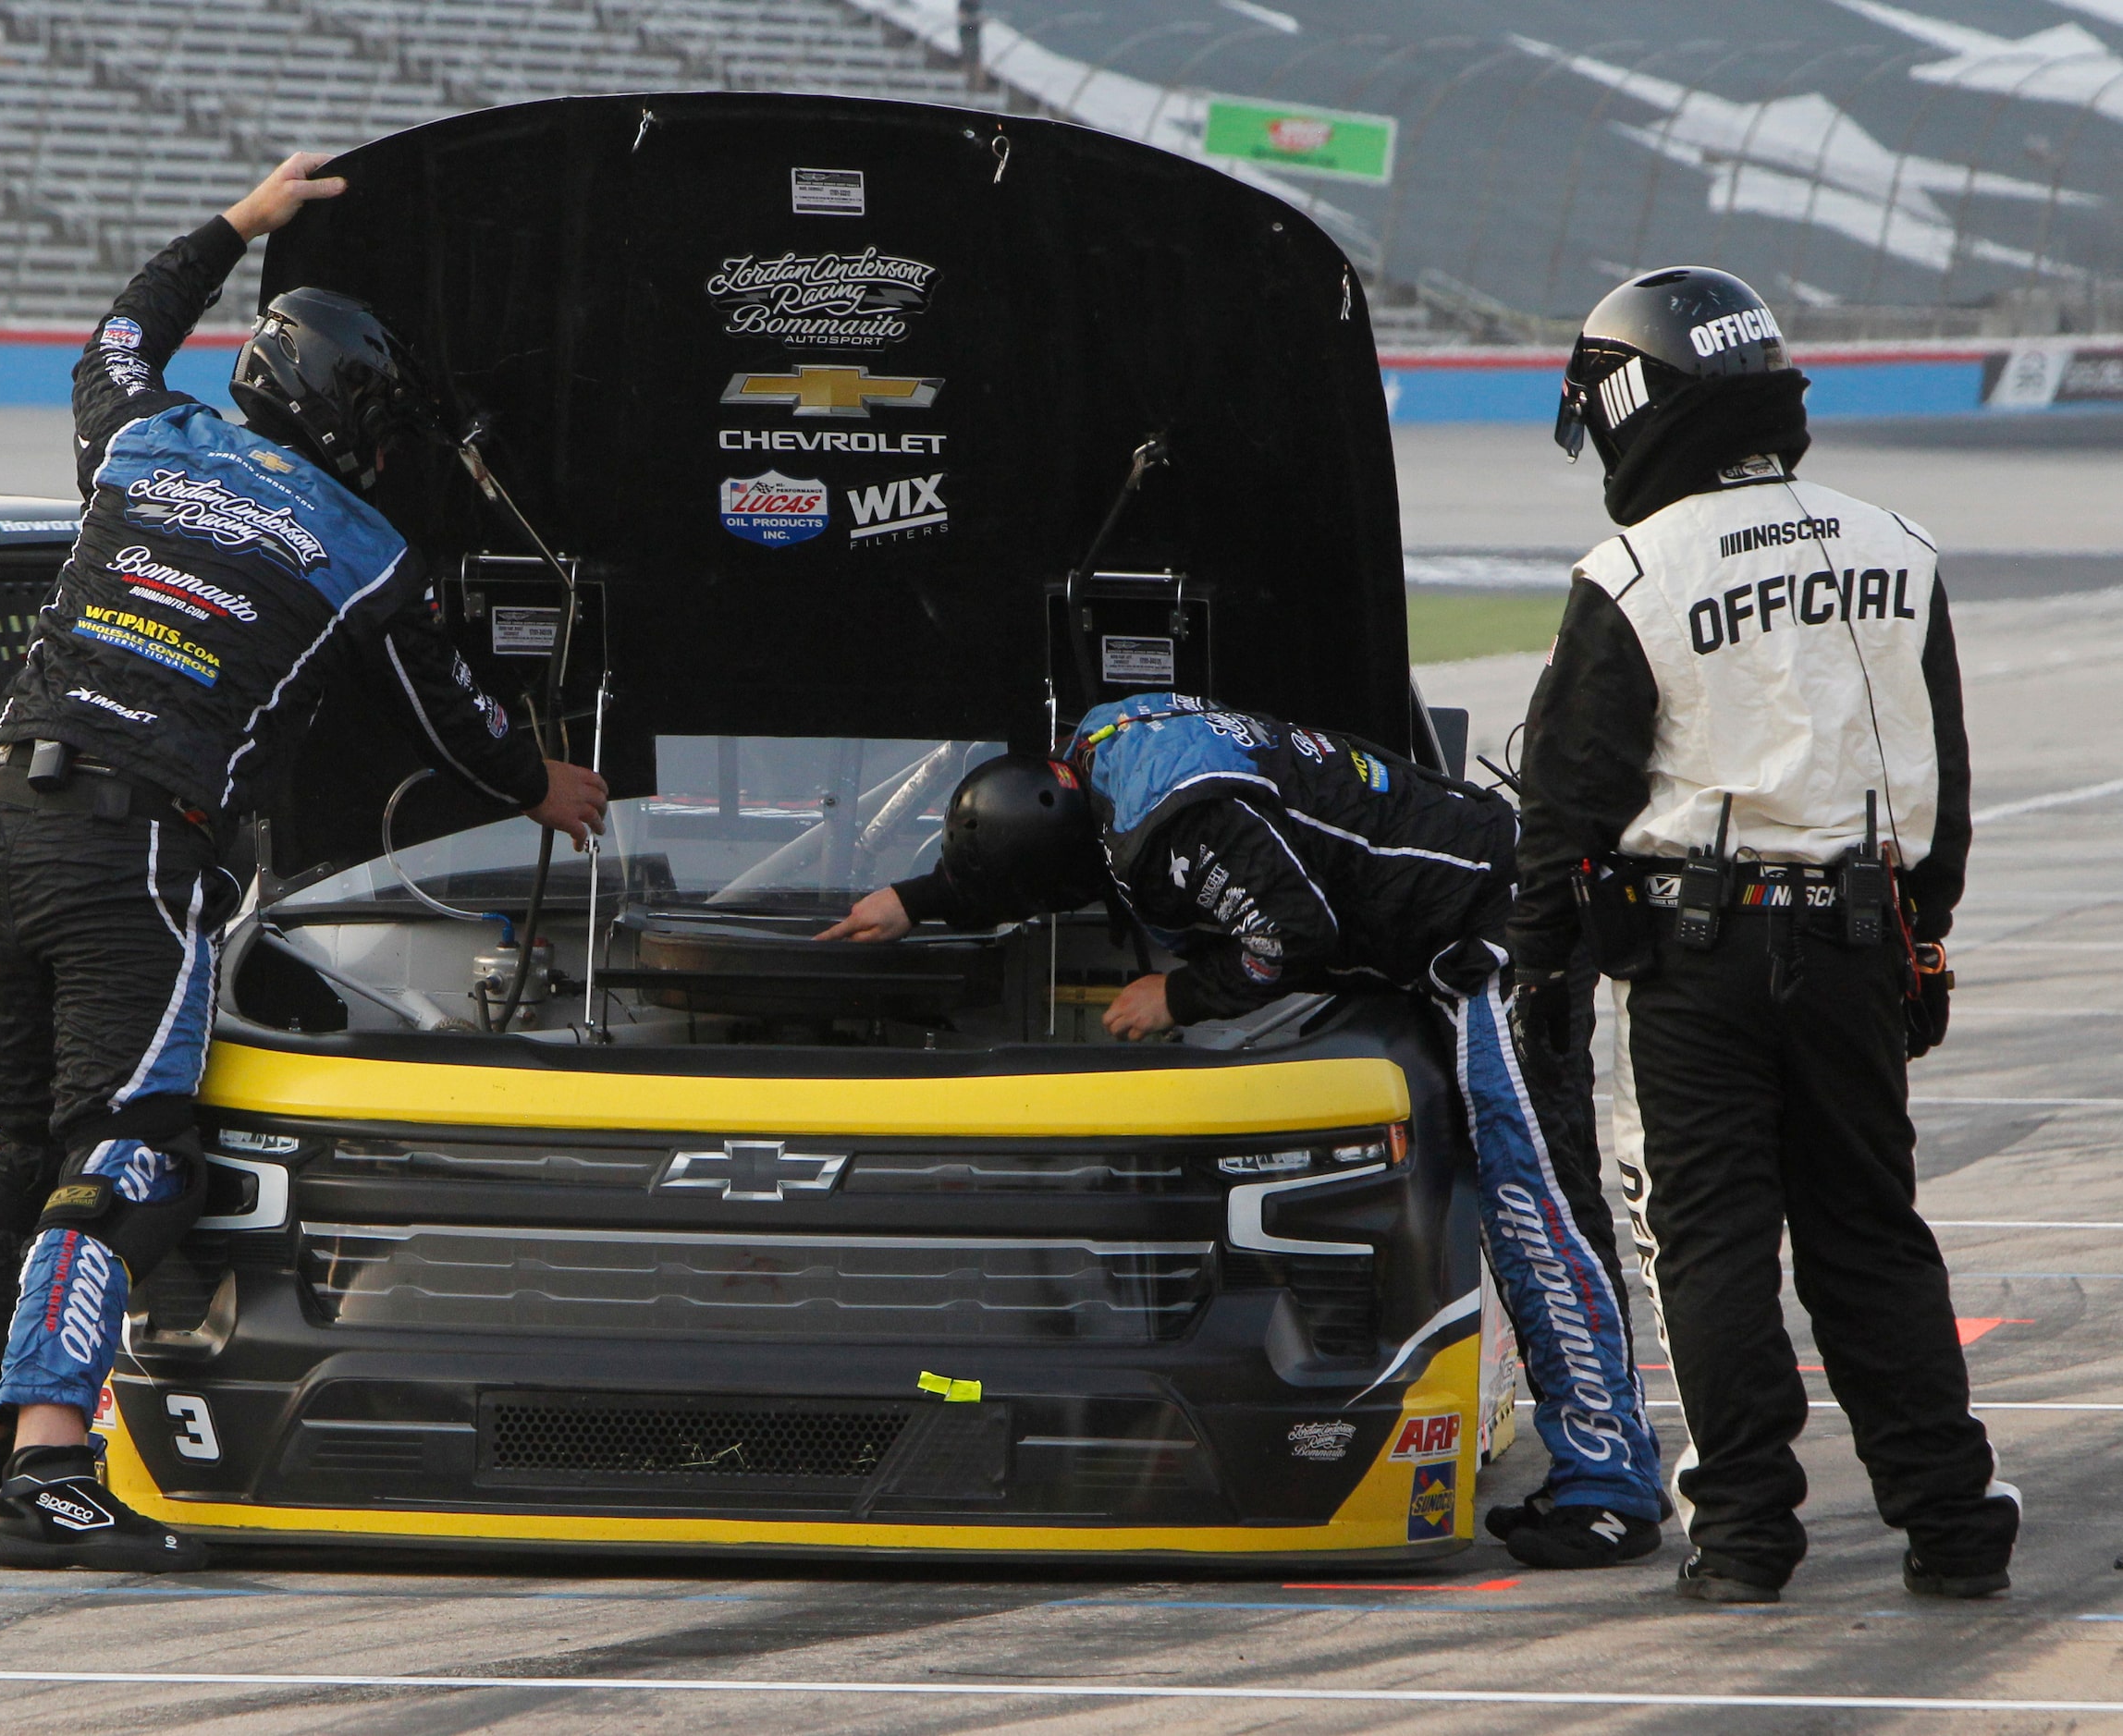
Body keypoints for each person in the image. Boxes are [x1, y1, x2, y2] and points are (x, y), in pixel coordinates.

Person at [0, 153, 610, 1572]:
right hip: (134, 845)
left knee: (19, 1151)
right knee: (120, 1146)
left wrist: (237, 223)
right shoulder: (358, 539)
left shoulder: (141, 436)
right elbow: (455, 721)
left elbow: (117, 330)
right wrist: (544, 782)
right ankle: (54, 1469)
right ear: (355, 420)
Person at [821, 697, 1671, 1567]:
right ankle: (1606, 1469)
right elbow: (1056, 852)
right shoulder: (1105, 748)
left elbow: (1290, 937)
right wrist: (916, 900)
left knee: (1534, 1205)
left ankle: (1607, 1492)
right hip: (1456, 910)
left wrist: (1179, 996)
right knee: (1523, 1197)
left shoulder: (1181, 819)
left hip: (1500, 929)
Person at [1513, 265, 2012, 1604]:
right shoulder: (1893, 548)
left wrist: (1536, 964)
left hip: (1692, 952)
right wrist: (1924, 938)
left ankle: (1742, 1537)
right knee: (1866, 1232)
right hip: (1857, 935)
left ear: (1630, 404)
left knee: (1714, 1238)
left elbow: (1567, 802)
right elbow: (1936, 785)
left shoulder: (1627, 569)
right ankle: (1952, 1521)